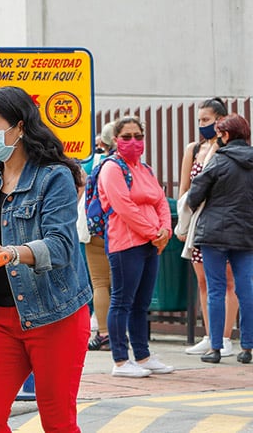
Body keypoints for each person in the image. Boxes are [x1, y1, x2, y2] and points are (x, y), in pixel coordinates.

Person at [0, 86, 91, 432]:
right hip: (2, 318)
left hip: (54, 315)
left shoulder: (54, 177)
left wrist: (14, 253)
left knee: (58, 422)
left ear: (18, 128)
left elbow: (62, 246)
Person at [99, 115, 174, 377]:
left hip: (151, 243)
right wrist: (155, 232)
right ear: (116, 140)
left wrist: (165, 230)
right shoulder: (112, 168)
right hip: (126, 244)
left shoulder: (146, 169)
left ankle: (142, 356)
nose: (134, 142)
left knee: (141, 303)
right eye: (127, 137)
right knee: (121, 301)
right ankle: (120, 360)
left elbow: (161, 201)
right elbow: (124, 207)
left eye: (138, 136)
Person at [188, 113, 253, 365]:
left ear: (225, 135)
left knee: (215, 289)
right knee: (245, 288)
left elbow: (195, 194)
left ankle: (215, 348)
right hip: (246, 234)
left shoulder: (218, 161)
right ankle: (247, 347)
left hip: (213, 234)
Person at [177, 97, 238, 357]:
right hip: (198, 223)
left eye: (207, 120)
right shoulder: (193, 149)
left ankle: (225, 336)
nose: (202, 125)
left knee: (227, 281)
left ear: (220, 121)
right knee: (203, 281)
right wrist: (182, 223)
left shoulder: (227, 149)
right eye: (200, 120)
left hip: (223, 222)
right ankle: (210, 334)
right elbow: (184, 188)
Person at [85, 122, 116, 352]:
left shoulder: (90, 162)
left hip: (93, 229)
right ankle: (118, 334)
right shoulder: (131, 166)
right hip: (120, 231)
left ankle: (103, 332)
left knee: (99, 283)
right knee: (120, 285)